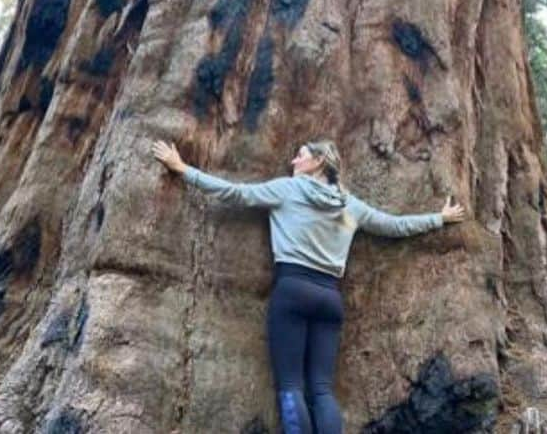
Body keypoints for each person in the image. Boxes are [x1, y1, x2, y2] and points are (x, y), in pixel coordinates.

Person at [151, 137, 465, 434]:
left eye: (300, 155)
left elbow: (235, 193)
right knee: (321, 389)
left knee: (290, 385)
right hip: (329, 298)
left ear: (317, 162)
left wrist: (182, 168)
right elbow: (393, 225)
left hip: (292, 290)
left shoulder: (287, 190)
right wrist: (439, 218)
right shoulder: (349, 205)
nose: (293, 160)